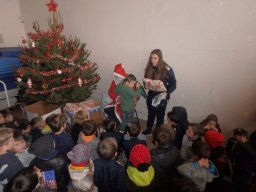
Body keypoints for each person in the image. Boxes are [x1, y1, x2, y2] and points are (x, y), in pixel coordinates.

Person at [143, 49, 176, 135]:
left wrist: (167, 93)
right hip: (151, 94)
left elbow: (174, 84)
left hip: (162, 96)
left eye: (155, 58)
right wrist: (147, 83)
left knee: (160, 117)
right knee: (151, 114)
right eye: (151, 58)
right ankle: (149, 129)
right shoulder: (149, 67)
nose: (152, 60)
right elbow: (145, 81)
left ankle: (158, 134)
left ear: (160, 58)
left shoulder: (167, 69)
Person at [151, 126, 182, 190]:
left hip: (159, 180)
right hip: (171, 176)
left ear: (156, 142)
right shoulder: (176, 150)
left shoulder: (152, 156)